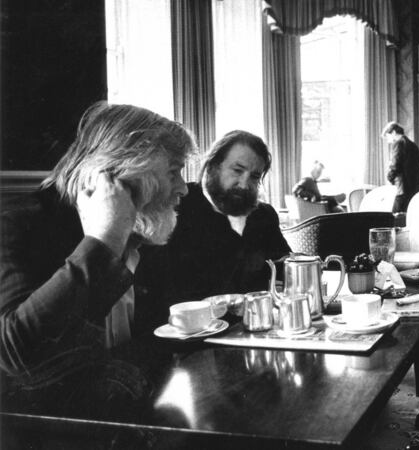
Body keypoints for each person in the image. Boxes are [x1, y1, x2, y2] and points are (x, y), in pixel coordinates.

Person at [0, 102, 195, 401]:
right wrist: (104, 239)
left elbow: (159, 337)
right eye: (173, 173)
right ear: (118, 173)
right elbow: (16, 356)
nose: (184, 188)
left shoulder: (146, 228)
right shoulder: (18, 226)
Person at [152, 130, 292, 301]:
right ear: (212, 165)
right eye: (237, 171)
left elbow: (286, 266)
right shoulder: (175, 207)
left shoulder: (264, 215)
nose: (244, 184)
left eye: (254, 177)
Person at [383, 121, 419, 213]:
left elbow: (395, 165)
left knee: (395, 219)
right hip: (414, 188)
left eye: (387, 136)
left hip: (402, 188)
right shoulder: (413, 145)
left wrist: (389, 177)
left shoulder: (398, 144)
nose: (388, 141)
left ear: (393, 132)